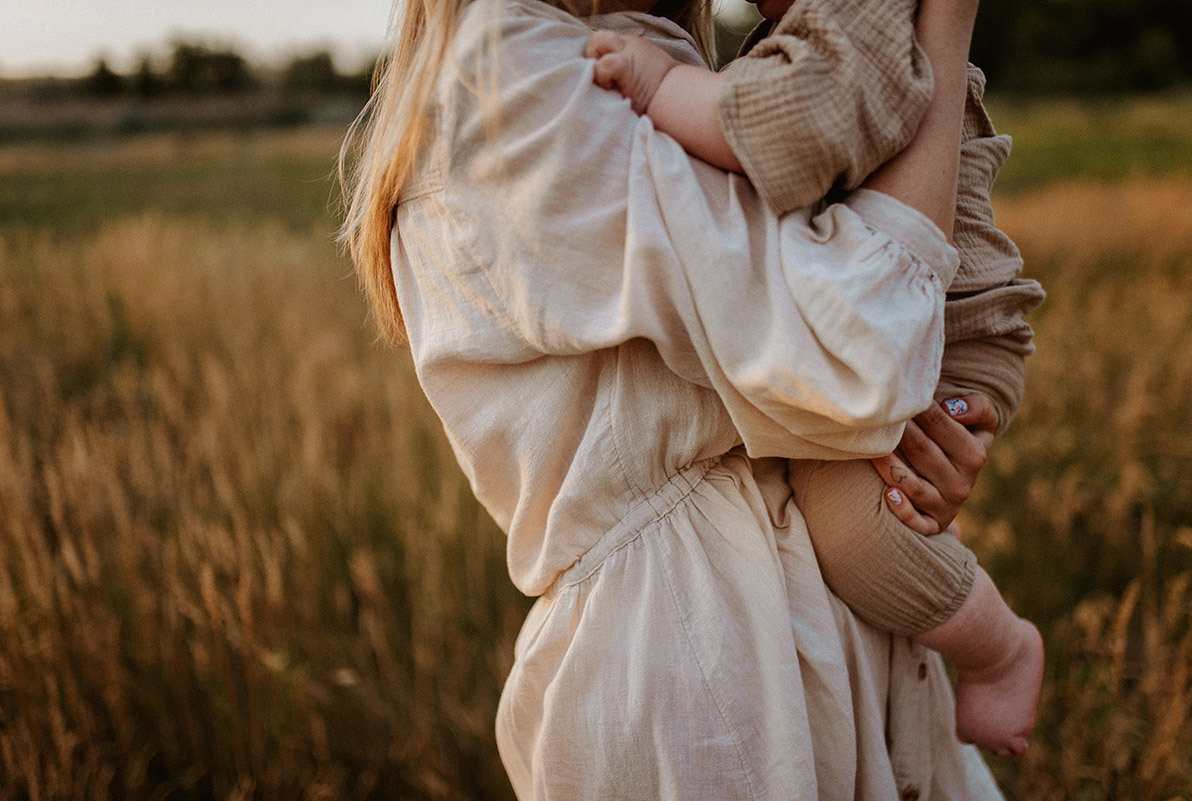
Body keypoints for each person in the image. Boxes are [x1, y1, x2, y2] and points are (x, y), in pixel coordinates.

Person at [341, 0, 1011, 796]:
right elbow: (864, 344)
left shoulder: (669, 56)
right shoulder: (514, 75)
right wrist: (942, 26)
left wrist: (918, 445)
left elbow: (862, 347)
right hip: (704, 674)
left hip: (839, 642)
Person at [583, 0, 1046, 757]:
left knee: (860, 532)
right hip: (915, 329)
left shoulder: (862, 8)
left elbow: (791, 127)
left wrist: (663, 85)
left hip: (948, 341)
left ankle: (1000, 647)